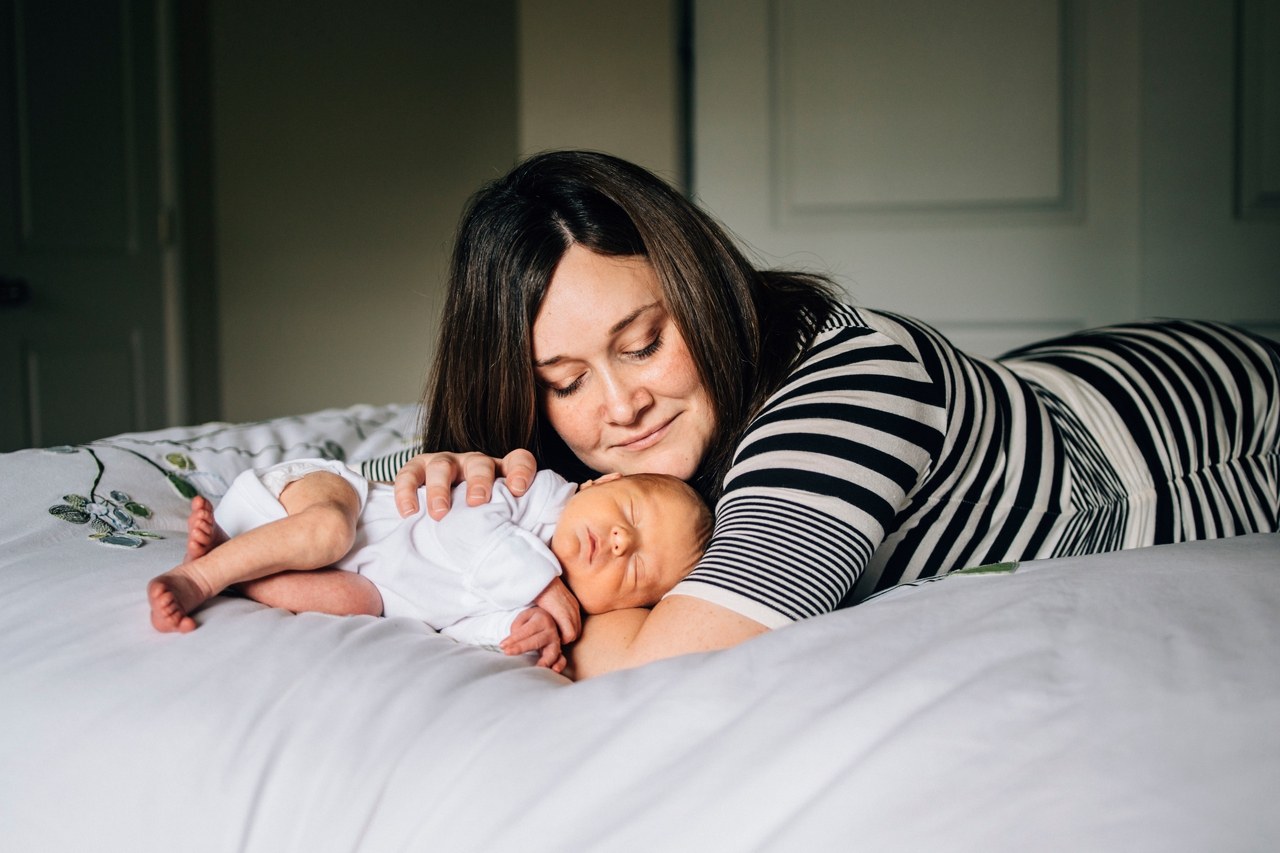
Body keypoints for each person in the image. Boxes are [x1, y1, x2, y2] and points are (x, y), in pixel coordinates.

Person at [367, 151, 1280, 680]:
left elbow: (669, 662)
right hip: (1049, 381)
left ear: (700, 288)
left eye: (643, 342)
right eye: (564, 381)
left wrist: (540, 594)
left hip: (1192, 422)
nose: (620, 404)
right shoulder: (608, 453)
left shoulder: (849, 392)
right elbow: (354, 509)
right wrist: (450, 485)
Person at [146, 460, 712, 673]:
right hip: (343, 501)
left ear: (624, 607)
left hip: (374, 582)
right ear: (603, 482)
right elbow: (463, 526)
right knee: (327, 532)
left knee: (356, 604)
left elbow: (459, 631)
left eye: (635, 567)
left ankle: (238, 564)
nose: (618, 541)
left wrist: (517, 636)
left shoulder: (544, 606)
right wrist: (542, 586)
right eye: (629, 514)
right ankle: (200, 576)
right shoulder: (536, 495)